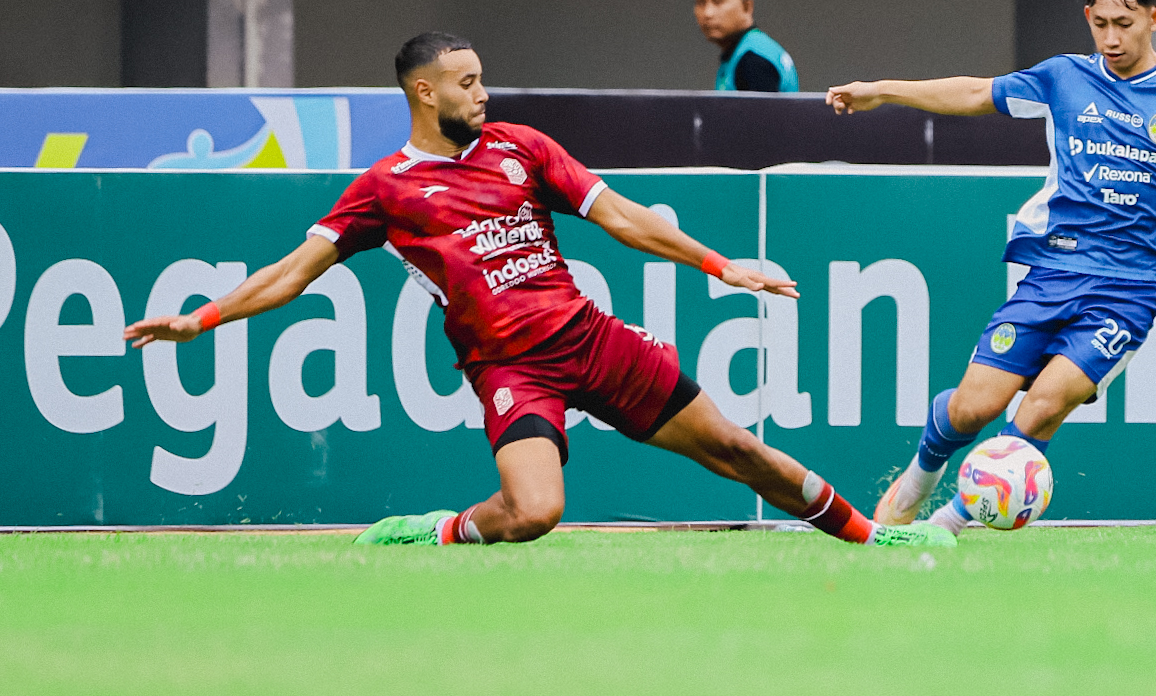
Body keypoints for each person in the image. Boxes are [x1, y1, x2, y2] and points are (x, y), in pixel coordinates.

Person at [125, 31, 951, 549]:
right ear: (424, 92)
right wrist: (202, 319)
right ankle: (441, 530)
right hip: (511, 372)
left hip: (592, 341)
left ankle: (873, 537)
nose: (482, 93)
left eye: (483, 79)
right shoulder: (385, 189)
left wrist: (721, 265)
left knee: (738, 449)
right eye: (467, 82)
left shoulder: (521, 147)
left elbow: (623, 217)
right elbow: (291, 272)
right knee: (533, 515)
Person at [824, 0, 1156, 534]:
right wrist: (883, 91)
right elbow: (973, 92)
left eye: (1125, 24)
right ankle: (914, 486)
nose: (1111, 37)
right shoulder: (1064, 78)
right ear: (1089, 17)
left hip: (1128, 291)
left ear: (1155, 18)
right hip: (1052, 272)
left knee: (1039, 409)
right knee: (971, 409)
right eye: (1100, 23)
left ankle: (947, 529)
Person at [693, 0, 799, 92]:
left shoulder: (753, 61)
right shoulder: (743, 51)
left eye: (718, 2)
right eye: (701, 3)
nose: (708, 13)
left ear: (747, 7)